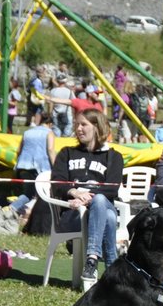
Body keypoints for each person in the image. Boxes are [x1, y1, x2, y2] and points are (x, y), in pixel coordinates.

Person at [51, 109, 125, 288]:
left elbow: (112, 189)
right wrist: (74, 193)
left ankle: (92, 259)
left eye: (84, 124)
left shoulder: (114, 157)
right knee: (107, 215)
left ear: (97, 127)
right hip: (73, 214)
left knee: (100, 201)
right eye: (76, 124)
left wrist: (88, 199)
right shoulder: (66, 153)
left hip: (98, 206)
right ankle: (110, 269)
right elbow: (57, 183)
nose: (78, 129)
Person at [3, 107, 54, 229]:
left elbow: (19, 150)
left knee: (28, 193)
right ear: (50, 124)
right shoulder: (49, 133)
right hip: (39, 168)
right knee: (31, 195)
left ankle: (21, 215)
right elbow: (51, 150)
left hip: (23, 166)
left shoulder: (27, 132)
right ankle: (10, 210)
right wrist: (56, 166)